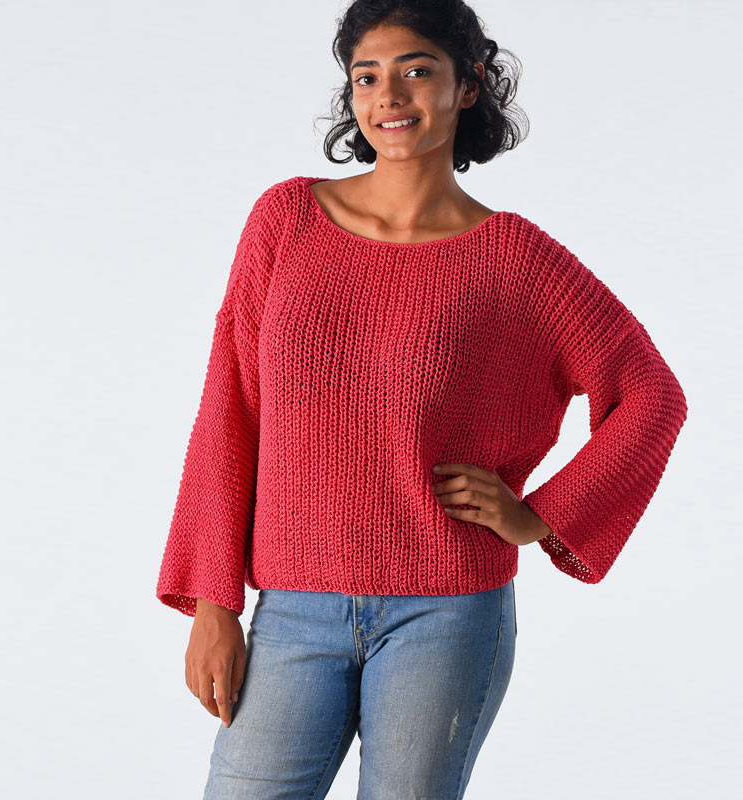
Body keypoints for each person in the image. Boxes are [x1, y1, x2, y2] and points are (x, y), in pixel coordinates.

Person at [155, 1, 689, 797]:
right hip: (293, 606)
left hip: (448, 612)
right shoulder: (286, 221)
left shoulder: (515, 259)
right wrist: (212, 602)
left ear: (467, 86)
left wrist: (538, 516)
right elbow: (230, 405)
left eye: (416, 70)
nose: (389, 96)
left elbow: (652, 394)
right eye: (367, 77)